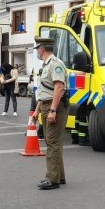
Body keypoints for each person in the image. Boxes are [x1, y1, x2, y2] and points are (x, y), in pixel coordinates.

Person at [33, 37, 69, 190]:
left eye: (37, 49)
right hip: (47, 105)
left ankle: (52, 179)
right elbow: (45, 90)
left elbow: (58, 88)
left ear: (41, 49)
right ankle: (59, 176)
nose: (37, 52)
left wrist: (53, 110)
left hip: (55, 106)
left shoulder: (56, 64)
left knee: (53, 143)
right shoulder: (46, 65)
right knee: (52, 142)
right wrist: (37, 111)